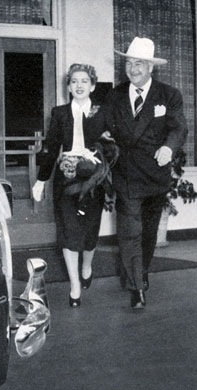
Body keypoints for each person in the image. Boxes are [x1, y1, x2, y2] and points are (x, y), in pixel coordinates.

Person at [106, 37, 188, 309]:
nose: (133, 69)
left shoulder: (169, 95)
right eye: (129, 63)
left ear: (151, 67)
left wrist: (168, 147)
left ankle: (140, 271)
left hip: (155, 174)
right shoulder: (115, 94)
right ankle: (136, 288)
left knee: (149, 232)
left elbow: (179, 129)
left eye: (139, 63)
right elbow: (101, 125)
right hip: (126, 174)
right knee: (130, 230)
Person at [32, 63, 114, 308]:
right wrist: (41, 179)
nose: (79, 86)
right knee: (69, 230)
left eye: (84, 81)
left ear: (92, 85)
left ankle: (87, 266)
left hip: (93, 178)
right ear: (68, 86)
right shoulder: (59, 113)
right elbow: (50, 147)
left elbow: (113, 144)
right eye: (74, 81)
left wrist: (103, 152)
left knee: (89, 231)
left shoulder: (103, 112)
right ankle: (75, 285)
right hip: (66, 177)